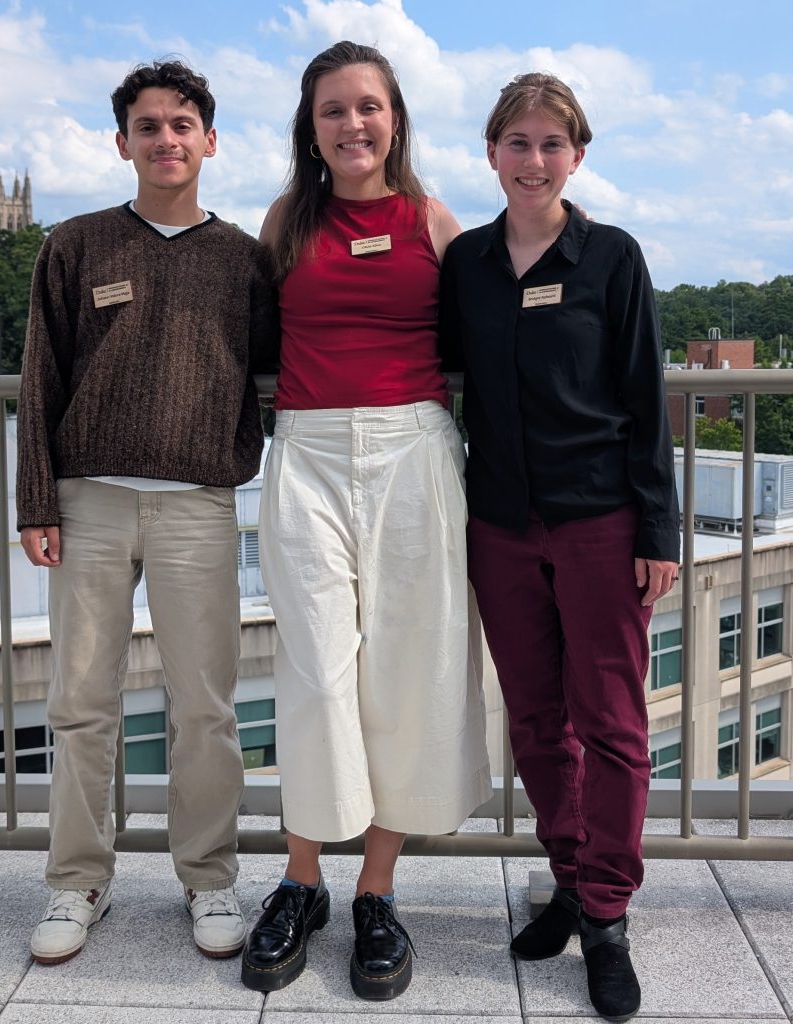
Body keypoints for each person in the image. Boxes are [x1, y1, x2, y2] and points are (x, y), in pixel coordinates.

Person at [240, 40, 491, 1002]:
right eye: (333, 109)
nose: (352, 124)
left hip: (414, 453)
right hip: (303, 452)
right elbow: (252, 338)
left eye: (368, 107)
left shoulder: (432, 220)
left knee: (410, 668)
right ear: (311, 127)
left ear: (395, 119)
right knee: (313, 668)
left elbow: (481, 341)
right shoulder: (284, 222)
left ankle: (375, 893)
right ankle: (300, 880)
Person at [16, 60, 277, 966]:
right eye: (147, 125)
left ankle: (208, 877)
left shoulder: (244, 258)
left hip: (200, 505)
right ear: (120, 139)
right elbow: (40, 376)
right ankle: (76, 882)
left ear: (210, 139)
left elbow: (279, 379)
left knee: (202, 706)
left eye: (182, 124)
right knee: (80, 703)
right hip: (88, 502)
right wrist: (36, 501)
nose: (166, 139)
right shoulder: (77, 244)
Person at [440, 73, 680, 1022]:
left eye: (551, 144)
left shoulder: (610, 259)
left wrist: (656, 529)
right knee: (537, 721)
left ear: (575, 156)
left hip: (598, 522)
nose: (532, 161)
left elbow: (643, 398)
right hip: (498, 522)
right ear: (491, 154)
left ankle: (608, 913)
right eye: (516, 143)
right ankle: (569, 881)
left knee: (612, 725)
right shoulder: (464, 263)